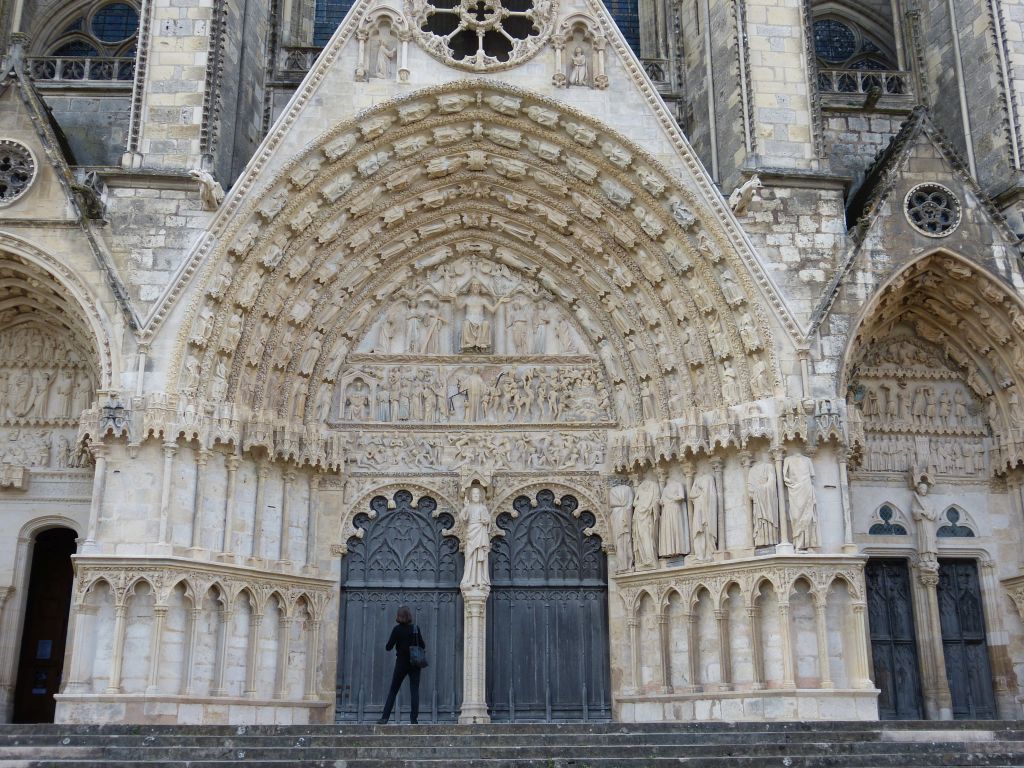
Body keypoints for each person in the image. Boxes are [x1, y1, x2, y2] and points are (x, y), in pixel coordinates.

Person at [378, 605, 426, 724]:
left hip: (401, 664)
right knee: (414, 691)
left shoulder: (397, 630)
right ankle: (414, 720)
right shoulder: (415, 628)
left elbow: (388, 647)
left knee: (393, 690)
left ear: (399, 616)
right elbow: (423, 645)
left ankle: (384, 718)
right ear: (409, 616)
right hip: (415, 663)